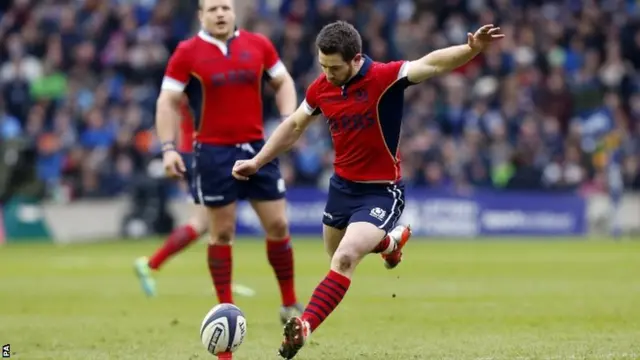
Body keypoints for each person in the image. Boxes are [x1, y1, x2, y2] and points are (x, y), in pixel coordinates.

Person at [232, 21, 504, 359]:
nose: (327, 74)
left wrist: (471, 49)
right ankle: (389, 243)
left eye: (334, 67)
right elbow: (294, 126)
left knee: (345, 258)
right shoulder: (321, 88)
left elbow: (432, 63)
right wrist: (257, 162)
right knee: (336, 257)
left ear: (356, 59)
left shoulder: (384, 77)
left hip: (381, 192)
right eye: (322, 66)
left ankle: (303, 327)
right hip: (341, 190)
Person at [156, 0, 304, 323]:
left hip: (257, 149)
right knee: (222, 232)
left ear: (234, 12)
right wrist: (168, 148)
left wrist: (288, 119)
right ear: (201, 16)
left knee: (278, 225)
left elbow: (283, 82)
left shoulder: (258, 45)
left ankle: (290, 303)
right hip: (212, 153)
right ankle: (227, 310)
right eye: (213, 9)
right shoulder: (187, 52)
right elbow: (167, 102)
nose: (220, 13)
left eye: (225, 7)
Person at [134, 96, 209, 297]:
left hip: (193, 152)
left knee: (209, 223)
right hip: (204, 152)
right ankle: (151, 264)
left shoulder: (184, 80)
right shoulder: (199, 78)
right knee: (207, 222)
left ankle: (152, 264)